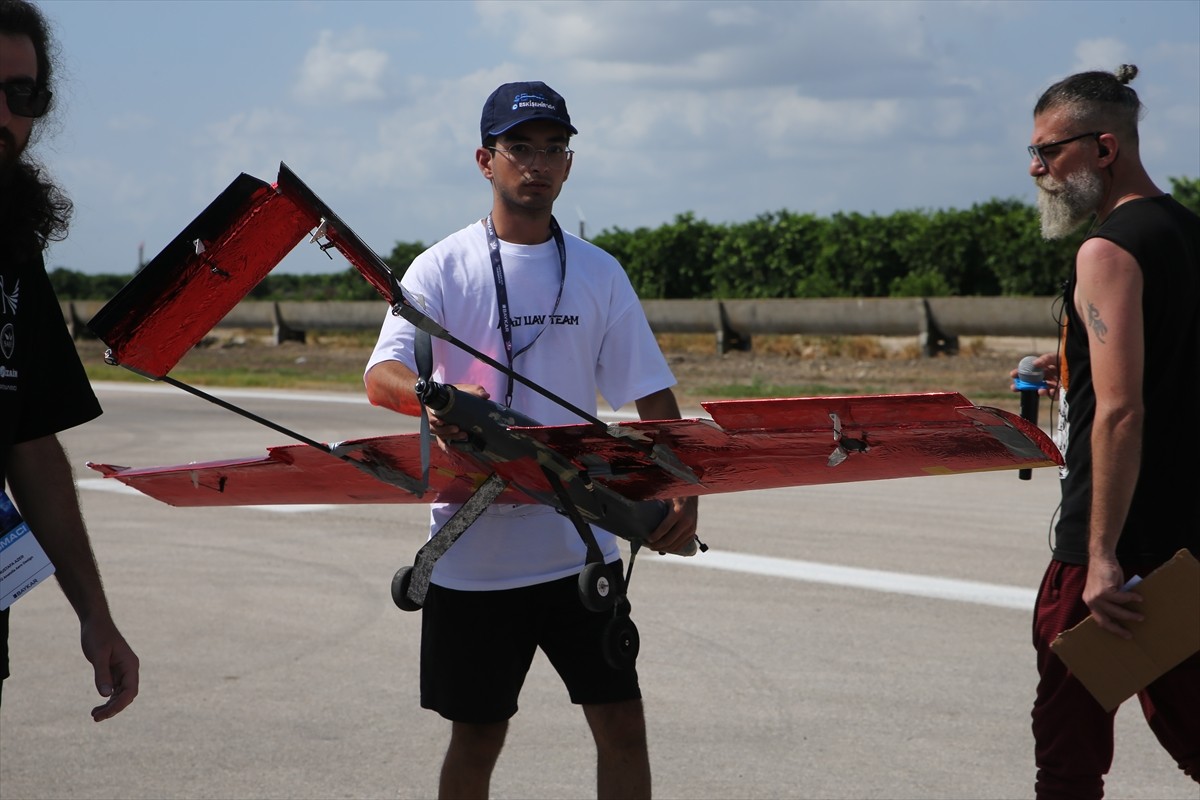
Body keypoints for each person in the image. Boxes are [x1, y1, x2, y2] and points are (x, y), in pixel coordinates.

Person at [364, 80, 698, 798]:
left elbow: (652, 396)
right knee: (478, 736)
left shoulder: (600, 272)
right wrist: (433, 399)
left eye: (553, 149)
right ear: (486, 160)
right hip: (471, 555)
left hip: (579, 545)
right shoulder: (441, 267)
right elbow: (382, 372)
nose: (537, 163)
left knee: (622, 725)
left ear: (569, 165)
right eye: (520, 148)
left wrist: (678, 489)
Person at [1021, 64, 1199, 797]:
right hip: (1186, 543)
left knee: (1068, 758)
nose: (1038, 171)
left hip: (1119, 552)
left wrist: (1098, 557)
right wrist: (1068, 367)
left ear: (1104, 148)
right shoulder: (1188, 234)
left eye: (1050, 152)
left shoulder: (1107, 251)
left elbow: (1124, 410)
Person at [0, 0, 139, 721]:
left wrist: (94, 614)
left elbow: (31, 442)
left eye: (22, 94)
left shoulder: (13, 254)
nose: (4, 113)